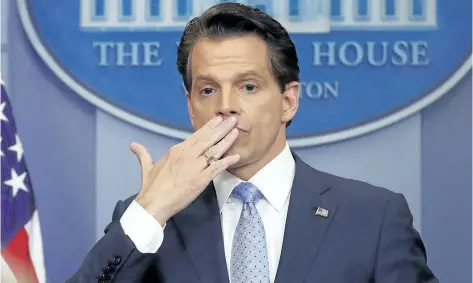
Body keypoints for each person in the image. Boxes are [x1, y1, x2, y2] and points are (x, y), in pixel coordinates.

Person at [67, 3, 438, 283]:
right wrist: (151, 211)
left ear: (288, 101)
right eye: (208, 89)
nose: (225, 105)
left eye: (248, 86)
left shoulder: (373, 217)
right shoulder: (147, 218)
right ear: (191, 107)